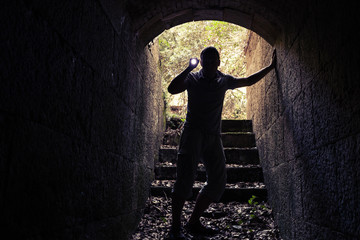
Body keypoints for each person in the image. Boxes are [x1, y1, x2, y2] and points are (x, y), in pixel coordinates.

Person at [166, 46, 276, 239]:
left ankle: (193, 222)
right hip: (192, 135)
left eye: (211, 61)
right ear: (200, 62)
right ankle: (175, 228)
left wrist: (271, 66)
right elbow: (172, 88)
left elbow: (249, 80)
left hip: (212, 137)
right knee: (184, 180)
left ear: (218, 62)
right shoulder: (192, 79)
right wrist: (188, 69)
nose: (207, 65)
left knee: (218, 181)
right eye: (204, 61)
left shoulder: (224, 81)